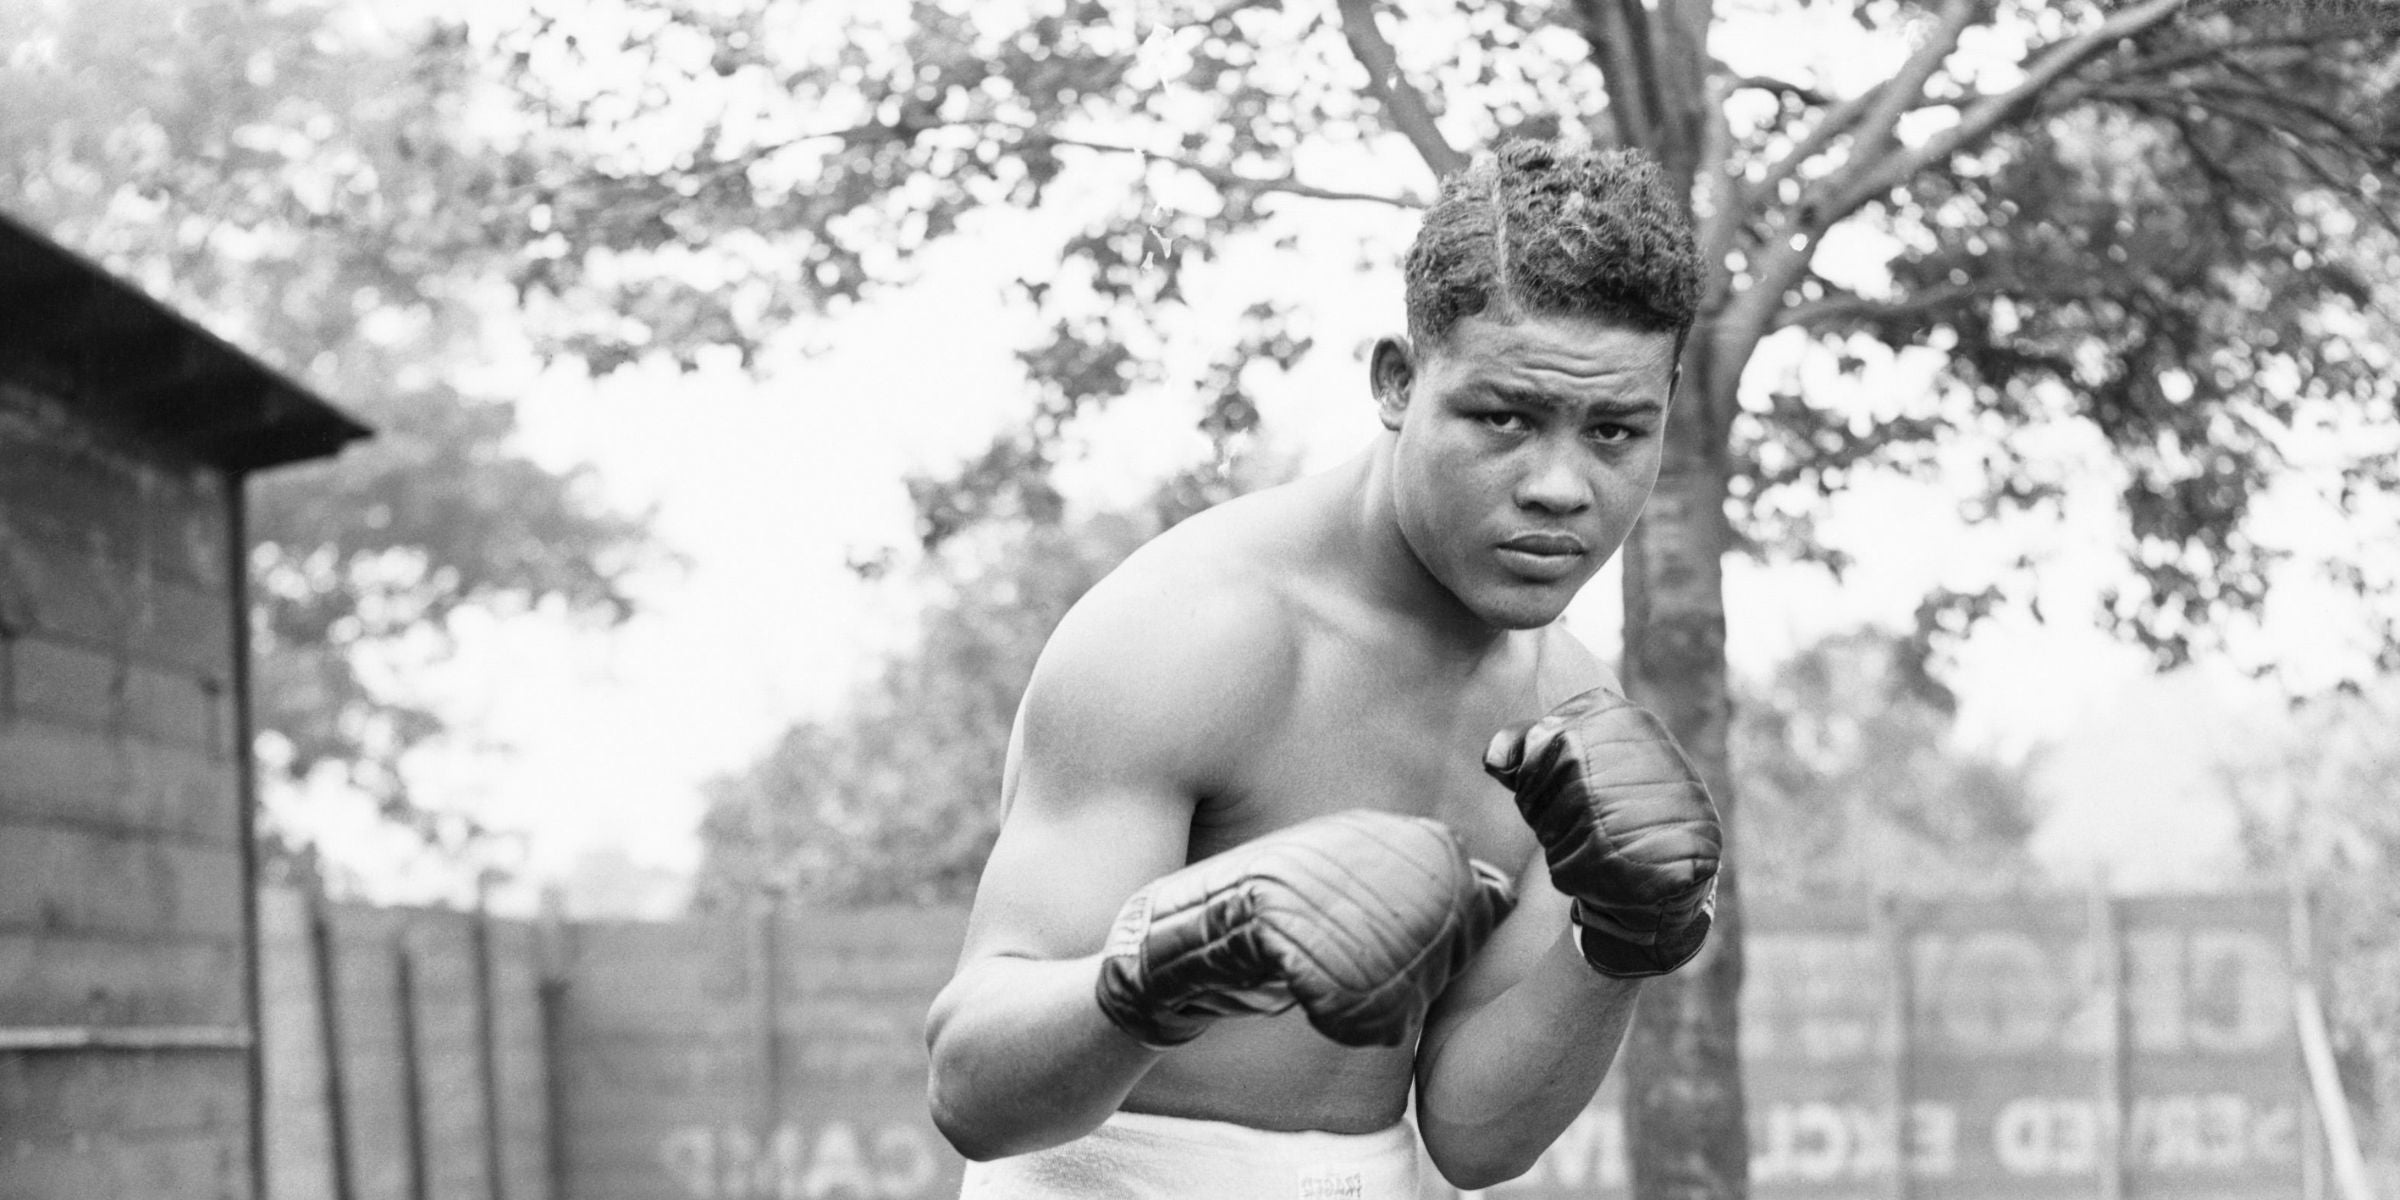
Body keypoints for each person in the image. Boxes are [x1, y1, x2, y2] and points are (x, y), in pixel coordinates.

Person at [922, 139, 1724, 1198]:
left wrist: (1615, 948)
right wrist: (1174, 967)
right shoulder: (1193, 634)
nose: (1560, 487)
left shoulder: (1568, 712)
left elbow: (1475, 1136)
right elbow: (972, 1095)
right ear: (1398, 381)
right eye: (1505, 418)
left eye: (1617, 431)